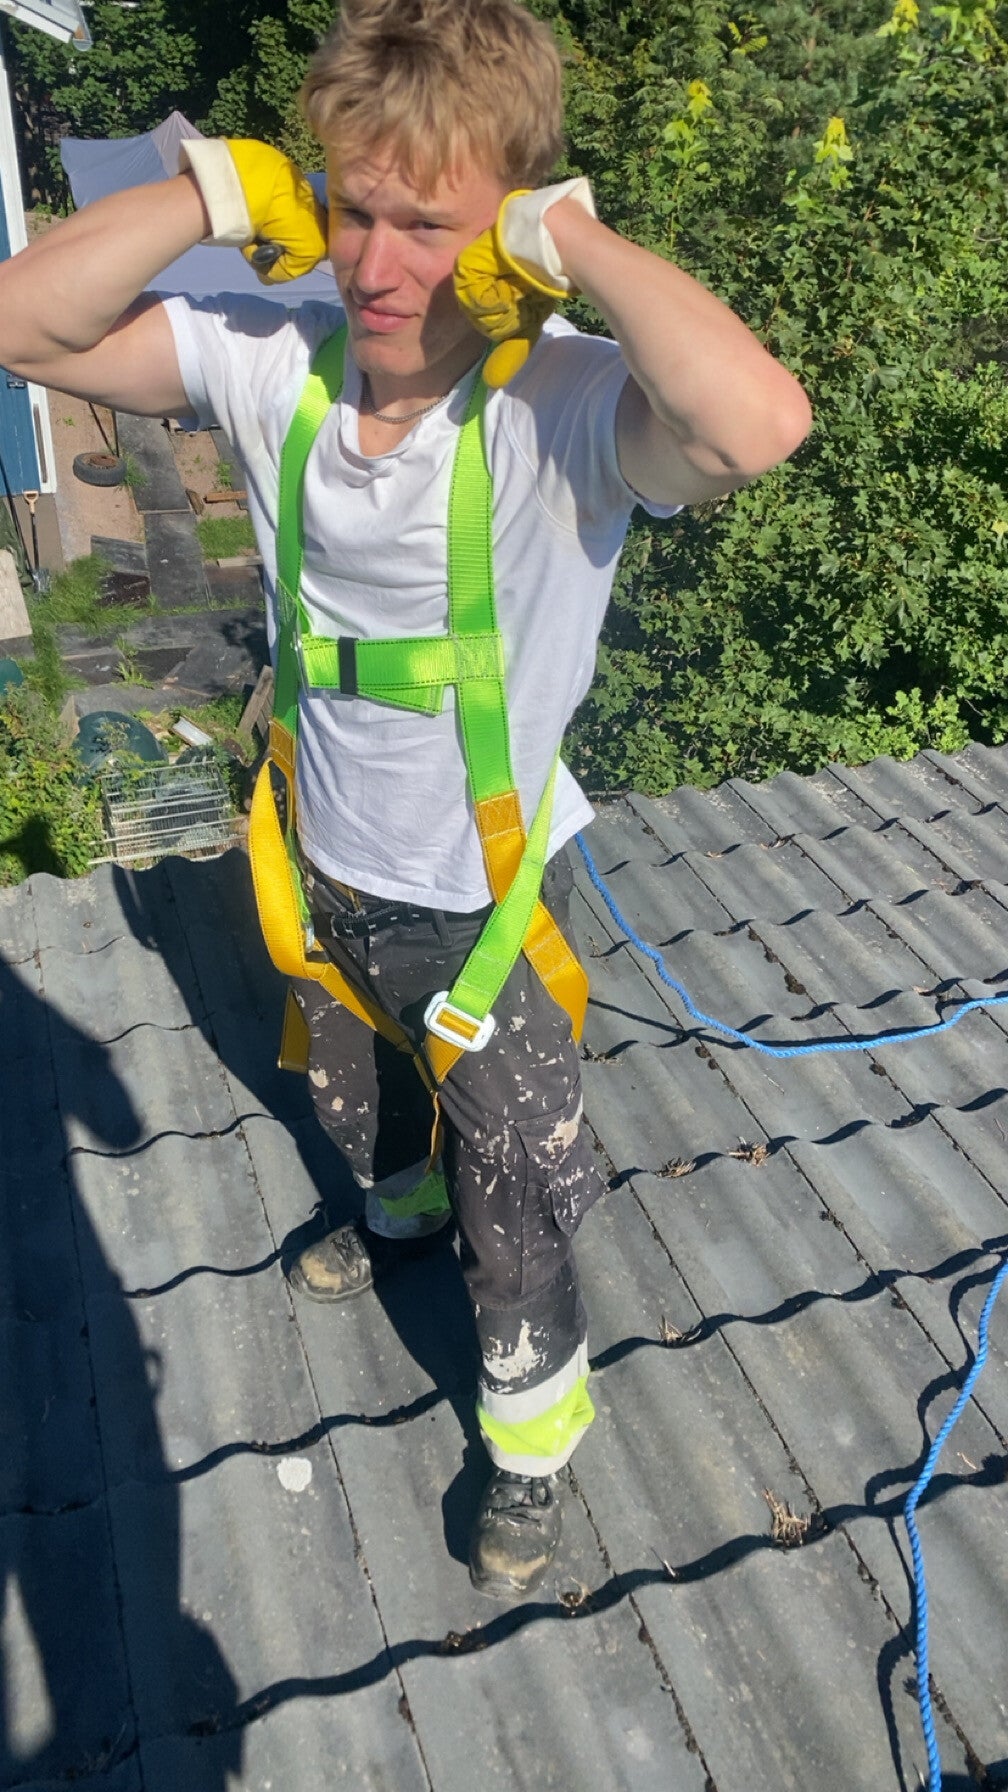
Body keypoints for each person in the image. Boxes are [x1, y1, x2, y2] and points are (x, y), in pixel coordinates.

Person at [0, 0, 811, 1601]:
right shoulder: (269, 362)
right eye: (351, 210)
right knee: (361, 1102)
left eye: (428, 226)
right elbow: (25, 329)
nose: (374, 266)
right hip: (319, 864)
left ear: (504, 237)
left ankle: (532, 1445)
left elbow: (757, 422)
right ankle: (395, 1212)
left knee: (523, 1203)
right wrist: (216, 192)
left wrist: (572, 242)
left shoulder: (564, 410)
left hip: (482, 906)